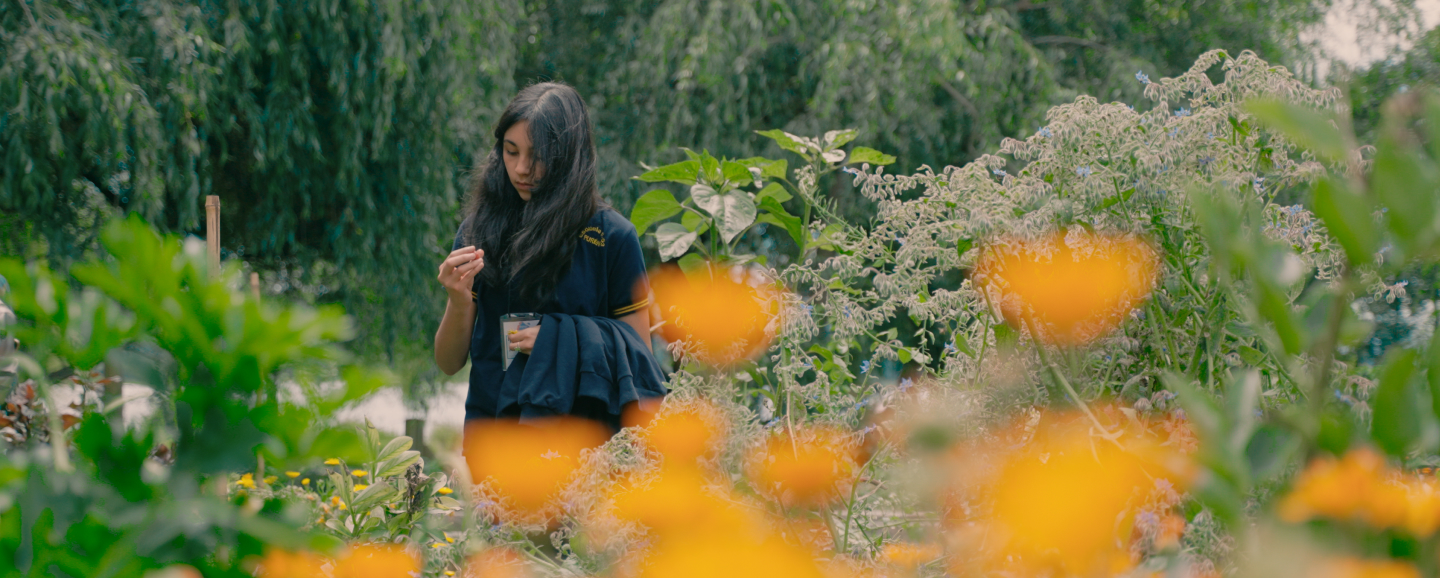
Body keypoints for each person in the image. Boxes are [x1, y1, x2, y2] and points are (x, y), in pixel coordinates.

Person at [433, 82, 667, 435]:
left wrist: (557, 341)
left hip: (585, 449)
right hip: (494, 440)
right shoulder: (479, 232)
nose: (522, 169)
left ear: (569, 156)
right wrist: (459, 299)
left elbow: (637, 359)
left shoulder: (612, 238)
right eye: (511, 152)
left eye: (538, 156)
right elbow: (448, 363)